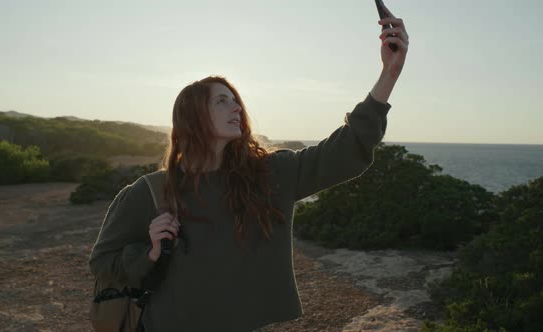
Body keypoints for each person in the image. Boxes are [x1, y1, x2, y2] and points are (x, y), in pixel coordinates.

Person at [89, 5, 408, 331]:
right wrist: (150, 252)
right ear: (193, 117)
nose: (237, 107)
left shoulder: (271, 174)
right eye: (221, 101)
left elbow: (345, 151)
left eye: (236, 99)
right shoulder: (151, 191)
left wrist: (389, 74)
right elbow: (101, 263)